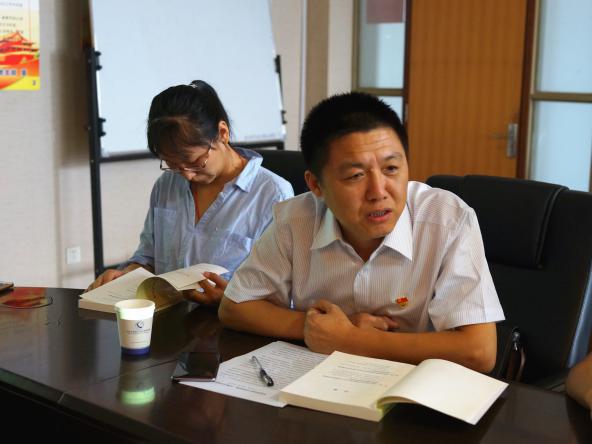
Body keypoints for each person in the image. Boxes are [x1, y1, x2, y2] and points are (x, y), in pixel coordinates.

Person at [219, 92, 504, 372]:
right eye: (356, 175)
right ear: (316, 185)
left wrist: (352, 340)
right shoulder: (295, 220)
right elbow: (234, 306)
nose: (379, 192)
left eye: (391, 168)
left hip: (413, 388)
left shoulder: (447, 219)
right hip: (320, 380)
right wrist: (314, 327)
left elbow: (479, 351)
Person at [87, 80, 294, 304]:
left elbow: (281, 295)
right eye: (173, 164)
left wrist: (229, 300)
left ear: (222, 133)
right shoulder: (166, 185)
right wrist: (124, 275)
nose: (186, 175)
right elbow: (148, 257)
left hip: (229, 322)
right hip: (169, 315)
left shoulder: (274, 195)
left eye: (194, 162)